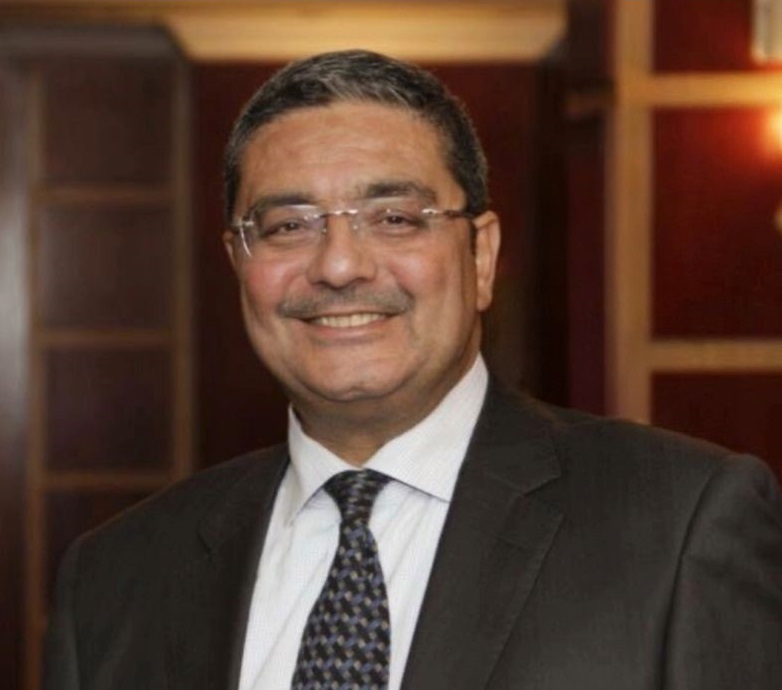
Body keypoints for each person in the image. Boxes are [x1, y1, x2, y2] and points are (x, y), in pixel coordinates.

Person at [44, 49, 782, 690]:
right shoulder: (115, 579)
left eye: (395, 218)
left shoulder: (679, 528)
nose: (339, 266)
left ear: (481, 257)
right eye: (288, 226)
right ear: (239, 263)